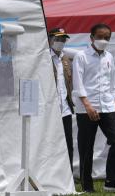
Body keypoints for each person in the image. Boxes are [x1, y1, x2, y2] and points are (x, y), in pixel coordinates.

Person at [73, 23, 115, 193]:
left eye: (107, 37)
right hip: (87, 107)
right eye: (100, 37)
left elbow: (112, 80)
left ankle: (112, 181)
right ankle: (87, 185)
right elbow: (77, 82)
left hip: (107, 105)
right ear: (91, 37)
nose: (103, 40)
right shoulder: (81, 56)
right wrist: (86, 104)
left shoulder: (109, 57)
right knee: (86, 147)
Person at [48, 27, 74, 171]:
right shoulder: (44, 58)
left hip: (64, 108)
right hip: (49, 109)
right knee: (50, 143)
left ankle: (68, 173)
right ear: (50, 40)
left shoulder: (65, 58)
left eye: (63, 40)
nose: (60, 42)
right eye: (57, 39)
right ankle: (52, 172)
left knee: (68, 143)